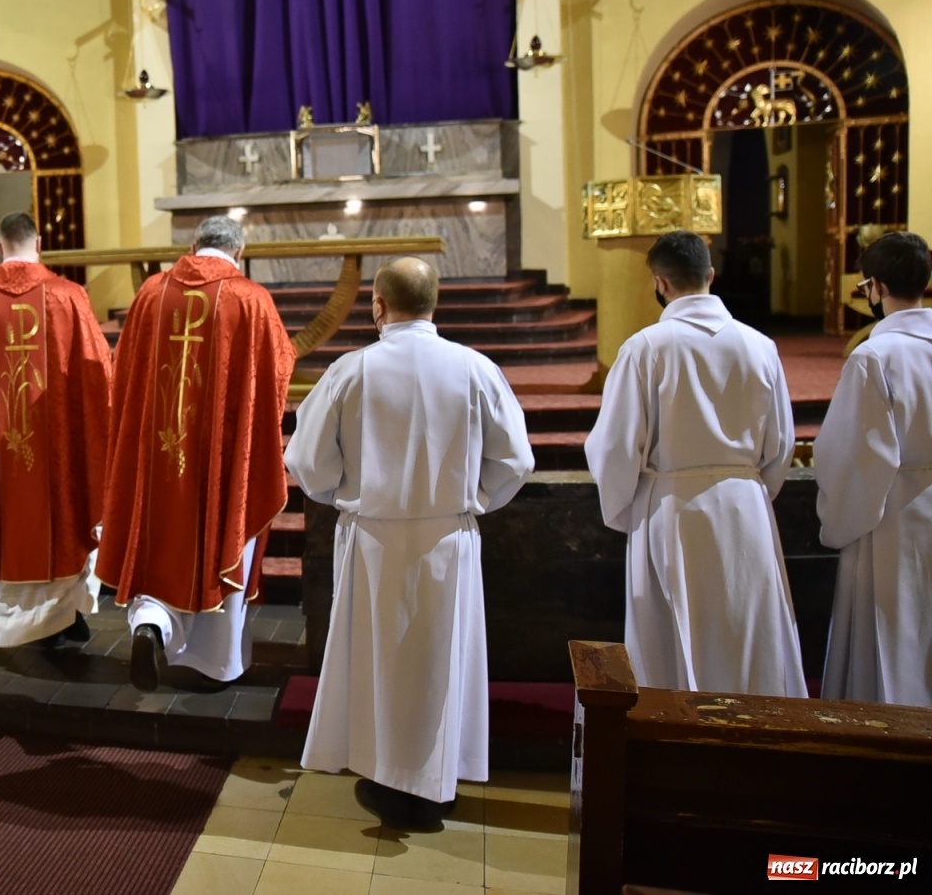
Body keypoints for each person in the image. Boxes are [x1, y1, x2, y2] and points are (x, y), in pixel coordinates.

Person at [285, 258, 534, 827]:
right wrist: (475, 501)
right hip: (450, 538)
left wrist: (341, 492)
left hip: (373, 539)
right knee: (442, 661)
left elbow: (303, 458)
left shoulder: (352, 371)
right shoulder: (474, 368)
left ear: (377, 306)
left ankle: (385, 776)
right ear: (434, 303)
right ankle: (436, 780)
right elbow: (517, 459)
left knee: (380, 661)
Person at [585, 230, 805, 696]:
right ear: (710, 275)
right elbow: (782, 443)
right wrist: (751, 490)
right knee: (748, 634)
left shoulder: (646, 348)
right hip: (746, 506)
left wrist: (627, 511)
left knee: (670, 643)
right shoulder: (759, 346)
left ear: (659, 283)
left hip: (671, 507)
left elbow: (616, 447)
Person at [96, 214, 295, 689]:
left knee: (160, 540)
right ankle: (214, 664)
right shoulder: (251, 299)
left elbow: (121, 374)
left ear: (193, 245)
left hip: (158, 454)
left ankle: (153, 624)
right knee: (223, 534)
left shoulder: (150, 294)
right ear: (239, 253)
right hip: (223, 460)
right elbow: (277, 374)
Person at [0, 211, 112, 647]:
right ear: (40, 244)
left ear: (0, 246)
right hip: (59, 450)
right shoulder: (69, 297)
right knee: (64, 516)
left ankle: (28, 623)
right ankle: (64, 616)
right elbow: (98, 378)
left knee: (11, 524)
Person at [813, 231, 932, 706]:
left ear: (876, 288)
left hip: (893, 518)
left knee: (892, 642)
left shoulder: (875, 356)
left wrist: (836, 521)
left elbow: (853, 456)